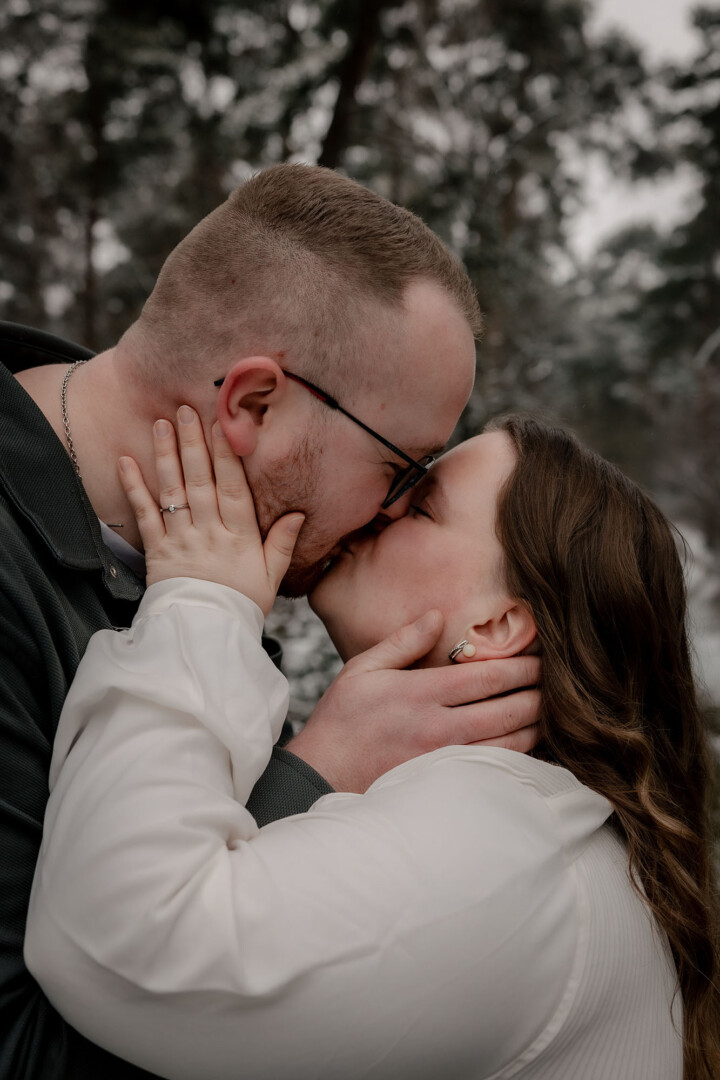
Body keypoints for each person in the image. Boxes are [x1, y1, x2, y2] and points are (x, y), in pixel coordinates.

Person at [0, 164, 540, 1079]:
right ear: (254, 404)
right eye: (402, 469)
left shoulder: (214, 561)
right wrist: (315, 776)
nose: (390, 515)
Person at [26, 410, 720, 1079]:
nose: (381, 507)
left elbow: (127, 934)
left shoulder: (504, 848)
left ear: (498, 626)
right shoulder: (527, 826)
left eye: (423, 507)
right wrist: (327, 762)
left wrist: (202, 602)